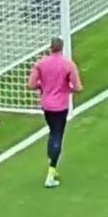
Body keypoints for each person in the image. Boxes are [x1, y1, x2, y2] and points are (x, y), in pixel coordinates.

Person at [27, 37, 83, 188]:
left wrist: (42, 87)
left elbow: (31, 84)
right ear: (62, 48)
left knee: (52, 133)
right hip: (60, 106)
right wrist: (67, 89)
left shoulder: (41, 63)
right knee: (58, 135)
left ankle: (52, 164)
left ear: (50, 48)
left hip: (46, 105)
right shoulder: (68, 65)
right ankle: (51, 174)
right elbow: (78, 87)